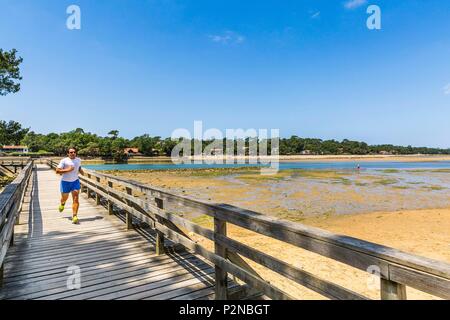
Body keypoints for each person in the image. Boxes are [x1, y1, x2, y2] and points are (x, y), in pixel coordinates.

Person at [56, 147, 84, 224]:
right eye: (71, 152)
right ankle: (62, 203)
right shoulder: (64, 161)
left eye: (74, 152)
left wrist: (82, 172)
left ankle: (74, 216)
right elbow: (57, 171)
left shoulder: (78, 160)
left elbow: (79, 167)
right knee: (64, 198)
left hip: (75, 181)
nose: (73, 153)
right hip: (65, 182)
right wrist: (68, 170)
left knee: (76, 199)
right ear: (68, 153)